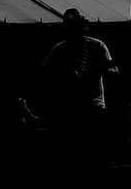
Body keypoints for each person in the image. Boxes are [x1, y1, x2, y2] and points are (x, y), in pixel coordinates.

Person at [37, 9, 118, 169]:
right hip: (70, 108)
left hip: (93, 106)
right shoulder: (59, 50)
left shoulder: (96, 46)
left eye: (76, 27)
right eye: (70, 28)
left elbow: (113, 69)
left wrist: (103, 70)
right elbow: (44, 73)